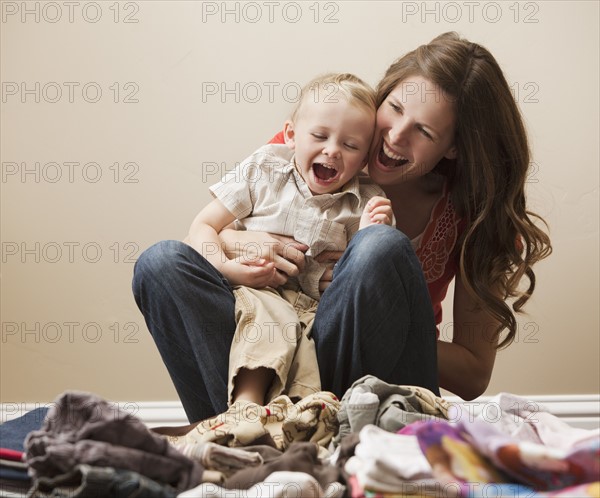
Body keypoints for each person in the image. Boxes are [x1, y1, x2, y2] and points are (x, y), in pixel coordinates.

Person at [132, 32, 552, 424]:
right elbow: (211, 227)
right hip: (265, 343)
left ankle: (335, 436)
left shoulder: (477, 215)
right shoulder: (326, 135)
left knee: (379, 247)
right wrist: (241, 241)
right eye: (395, 108)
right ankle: (247, 435)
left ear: (455, 147)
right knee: (160, 263)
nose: (394, 136)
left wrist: (369, 298)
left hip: (367, 380)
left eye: (423, 131)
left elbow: (474, 374)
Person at [185, 72, 393, 413]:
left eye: (350, 145)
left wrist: (372, 229)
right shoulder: (265, 169)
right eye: (320, 136)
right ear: (292, 135)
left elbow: (366, 276)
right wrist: (226, 267)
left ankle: (297, 419)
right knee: (271, 323)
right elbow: (203, 225)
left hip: (316, 310)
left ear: (366, 156)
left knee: (307, 355)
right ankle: (245, 406)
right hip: (257, 292)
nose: (332, 150)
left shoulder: (365, 201)